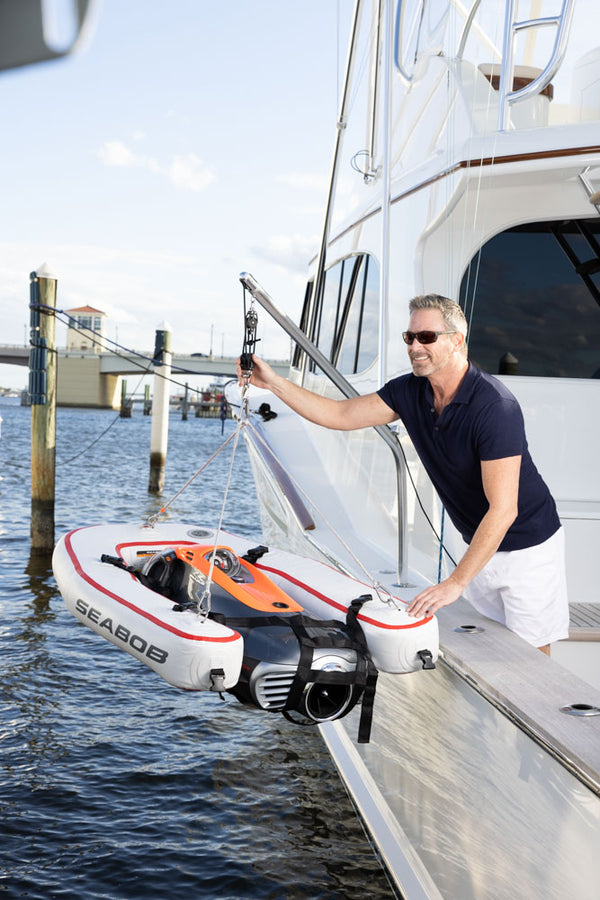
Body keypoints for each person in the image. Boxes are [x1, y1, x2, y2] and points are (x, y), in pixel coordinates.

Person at [238, 294, 569, 655]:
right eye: (409, 337)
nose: (415, 346)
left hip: (528, 549)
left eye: (426, 337)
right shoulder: (410, 390)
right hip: (477, 542)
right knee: (495, 650)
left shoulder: (494, 407)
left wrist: (454, 583)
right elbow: (340, 415)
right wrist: (273, 383)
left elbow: (504, 510)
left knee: (532, 657)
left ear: (457, 340)